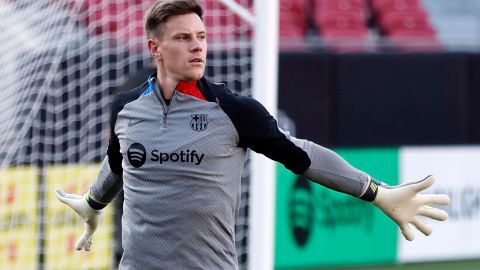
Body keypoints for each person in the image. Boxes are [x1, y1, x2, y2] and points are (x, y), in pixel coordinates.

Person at [55, 0, 450, 269]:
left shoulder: (234, 111)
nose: (198, 47)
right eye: (183, 38)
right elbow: (116, 160)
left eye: (202, 37)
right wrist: (93, 202)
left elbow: (303, 154)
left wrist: (377, 192)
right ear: (154, 48)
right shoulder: (126, 107)